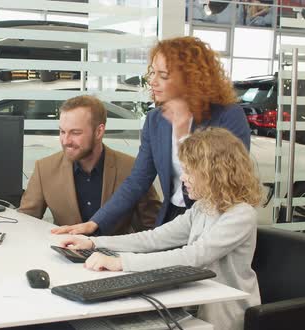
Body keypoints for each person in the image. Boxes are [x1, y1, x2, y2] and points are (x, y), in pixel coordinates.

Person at [60, 128, 262, 330]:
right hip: (197, 304)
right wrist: (95, 242)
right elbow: (155, 238)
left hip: (225, 316)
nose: (183, 178)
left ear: (214, 174)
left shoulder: (241, 214)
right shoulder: (204, 207)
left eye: (189, 172)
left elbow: (194, 256)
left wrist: (121, 262)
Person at [53, 36, 251, 236]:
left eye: (163, 75)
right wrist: (95, 222)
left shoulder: (227, 115)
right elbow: (138, 181)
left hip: (212, 221)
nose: (152, 81)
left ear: (191, 78)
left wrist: (182, 131)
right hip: (170, 218)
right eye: (152, 72)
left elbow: (226, 181)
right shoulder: (156, 120)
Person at [19, 95, 161, 234]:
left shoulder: (132, 169)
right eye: (62, 131)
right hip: (64, 254)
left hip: (117, 255)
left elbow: (153, 228)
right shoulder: (44, 169)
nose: (65, 140)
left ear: (99, 131)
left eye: (75, 133)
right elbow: (25, 224)